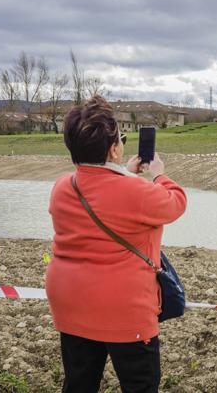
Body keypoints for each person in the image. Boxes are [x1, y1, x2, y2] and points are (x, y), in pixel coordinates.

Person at [46, 96, 187, 393]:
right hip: (125, 310)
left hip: (71, 303)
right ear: (113, 149)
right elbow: (176, 203)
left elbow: (100, 188)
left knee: (79, 384)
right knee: (140, 385)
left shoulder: (61, 187)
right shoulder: (136, 191)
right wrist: (158, 174)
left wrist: (122, 171)